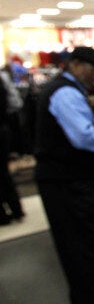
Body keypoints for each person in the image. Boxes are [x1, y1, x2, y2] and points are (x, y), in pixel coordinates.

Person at [34, 46, 94, 304]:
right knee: (76, 246)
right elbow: (85, 138)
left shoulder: (68, 89)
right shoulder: (66, 93)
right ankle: (88, 298)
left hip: (68, 177)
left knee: (86, 242)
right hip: (64, 182)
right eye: (93, 70)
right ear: (76, 65)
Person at [0, 73, 24, 225]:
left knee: (3, 173)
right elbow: (13, 104)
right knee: (4, 173)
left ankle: (8, 212)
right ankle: (16, 209)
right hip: (2, 129)